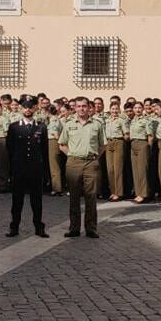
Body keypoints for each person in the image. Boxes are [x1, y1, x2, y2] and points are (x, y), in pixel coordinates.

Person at [59, 96, 107, 238]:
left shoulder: (97, 124)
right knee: (74, 197)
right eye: (78, 106)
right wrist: (71, 155)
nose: (81, 109)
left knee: (91, 197)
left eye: (84, 106)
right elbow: (61, 144)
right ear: (75, 108)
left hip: (91, 163)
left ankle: (91, 228)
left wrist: (94, 158)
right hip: (73, 163)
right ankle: (74, 228)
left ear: (89, 107)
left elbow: (103, 145)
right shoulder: (69, 124)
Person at [5, 95, 49, 238]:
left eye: (30, 107)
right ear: (21, 109)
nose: (28, 109)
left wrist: (45, 171)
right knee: (17, 200)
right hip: (19, 169)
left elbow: (44, 150)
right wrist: (11, 170)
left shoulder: (41, 127)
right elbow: (10, 149)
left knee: (37, 200)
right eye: (25, 107)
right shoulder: (14, 127)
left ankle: (39, 227)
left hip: (35, 169)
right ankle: (14, 227)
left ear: (35, 108)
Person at [104, 102, 129, 202]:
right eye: (113, 109)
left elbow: (126, 134)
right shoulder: (107, 120)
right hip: (108, 143)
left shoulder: (122, 121)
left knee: (118, 169)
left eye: (116, 109)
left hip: (118, 142)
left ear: (119, 110)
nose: (114, 111)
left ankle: (119, 193)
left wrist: (121, 141)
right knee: (110, 169)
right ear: (110, 110)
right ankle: (113, 192)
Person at [128, 102, 153, 203]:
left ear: (142, 109)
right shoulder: (133, 120)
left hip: (142, 144)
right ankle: (138, 193)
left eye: (139, 108)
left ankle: (144, 194)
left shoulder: (146, 120)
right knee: (136, 170)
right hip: (133, 144)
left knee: (142, 171)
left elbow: (150, 136)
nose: (137, 109)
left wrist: (148, 148)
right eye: (135, 108)